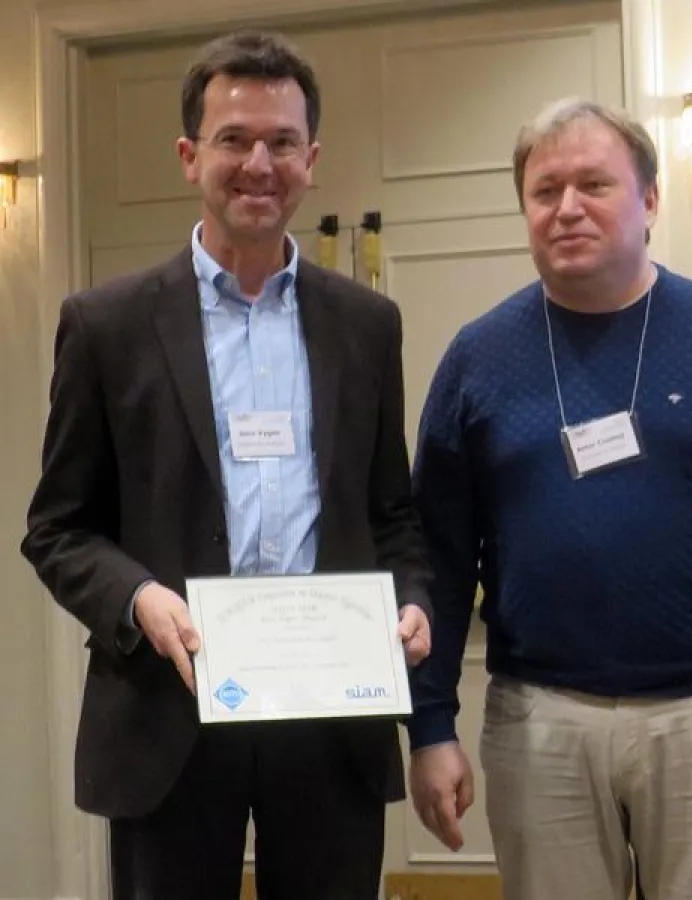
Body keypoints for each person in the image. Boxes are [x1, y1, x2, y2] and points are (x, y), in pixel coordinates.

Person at [21, 31, 433, 900]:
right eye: (234, 139)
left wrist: (412, 602)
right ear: (188, 155)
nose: (259, 163)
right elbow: (57, 528)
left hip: (330, 715)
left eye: (282, 142)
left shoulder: (368, 325)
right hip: (169, 715)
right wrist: (139, 598)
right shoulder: (107, 325)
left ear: (311, 159)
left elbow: (391, 513)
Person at [405, 97, 692, 900]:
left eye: (594, 185)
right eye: (545, 191)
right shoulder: (477, 358)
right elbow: (432, 554)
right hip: (541, 720)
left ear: (648, 200)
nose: (567, 208)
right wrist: (430, 724)